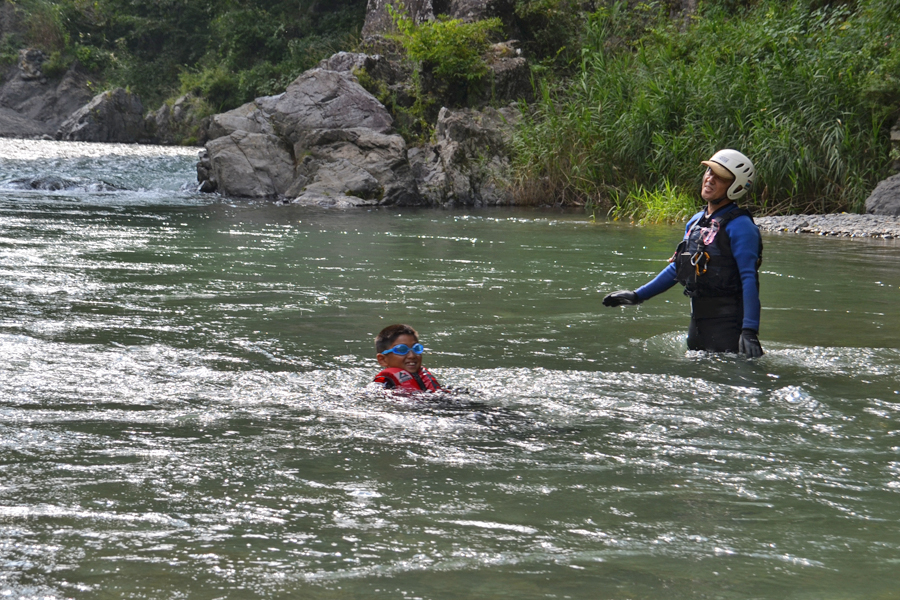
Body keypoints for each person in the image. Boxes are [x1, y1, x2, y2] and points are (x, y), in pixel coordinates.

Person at [602, 149, 764, 357]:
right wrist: (637, 295)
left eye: (720, 177)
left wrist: (749, 331)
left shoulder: (741, 227)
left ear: (737, 186)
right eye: (708, 172)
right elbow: (679, 268)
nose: (709, 179)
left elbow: (749, 279)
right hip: (697, 325)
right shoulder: (695, 222)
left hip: (729, 328)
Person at [372, 323, 443, 392]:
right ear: (383, 360)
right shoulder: (381, 387)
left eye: (416, 348)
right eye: (402, 350)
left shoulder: (424, 378)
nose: (412, 355)